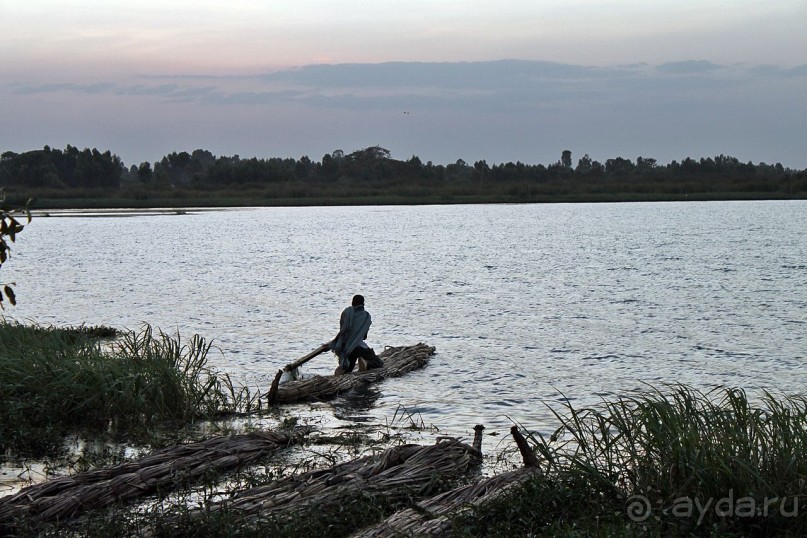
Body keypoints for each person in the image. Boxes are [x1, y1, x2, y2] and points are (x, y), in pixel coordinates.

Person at [330, 294, 384, 374]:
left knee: (349, 370)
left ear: (352, 303)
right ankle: (367, 363)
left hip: (346, 348)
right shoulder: (366, 316)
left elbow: (342, 331)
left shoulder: (346, 312)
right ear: (363, 304)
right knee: (379, 364)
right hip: (358, 347)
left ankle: (344, 368)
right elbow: (364, 337)